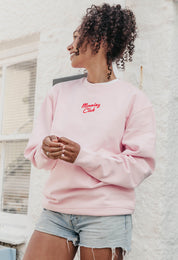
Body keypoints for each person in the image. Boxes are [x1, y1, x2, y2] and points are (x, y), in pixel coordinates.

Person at [23, 3, 156, 260]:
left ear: (100, 40)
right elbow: (35, 154)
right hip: (57, 212)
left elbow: (139, 167)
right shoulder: (58, 94)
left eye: (76, 37)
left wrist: (82, 156)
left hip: (106, 214)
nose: (69, 46)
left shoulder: (134, 99)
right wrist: (45, 148)